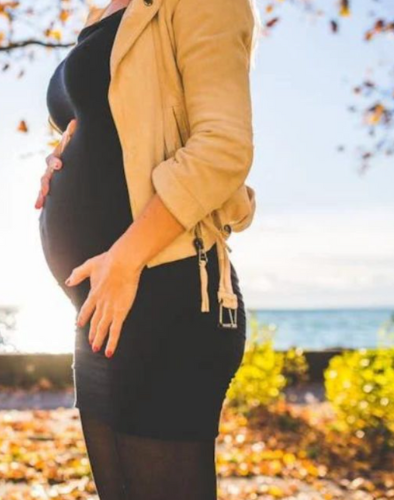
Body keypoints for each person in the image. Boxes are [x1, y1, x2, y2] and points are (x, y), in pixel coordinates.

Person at [36, 0, 260, 497]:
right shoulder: (103, 16)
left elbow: (223, 147)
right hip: (101, 304)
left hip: (166, 290)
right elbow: (116, 128)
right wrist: (60, 155)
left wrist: (127, 256)